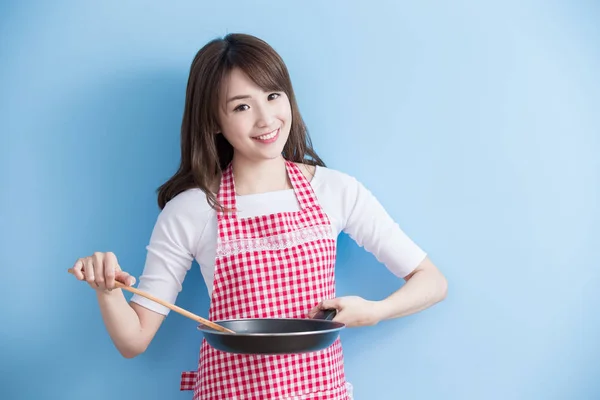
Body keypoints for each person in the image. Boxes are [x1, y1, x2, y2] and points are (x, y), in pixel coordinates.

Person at [70, 33, 448, 400]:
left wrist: (376, 311)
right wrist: (108, 293)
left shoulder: (337, 191)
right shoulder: (192, 209)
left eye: (272, 96)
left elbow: (431, 281)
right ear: (215, 120)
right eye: (241, 106)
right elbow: (134, 340)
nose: (266, 119)